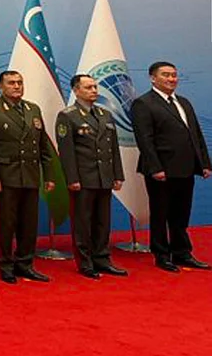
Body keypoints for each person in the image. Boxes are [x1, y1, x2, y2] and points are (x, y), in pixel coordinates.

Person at [131, 61, 211, 272]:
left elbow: (196, 134)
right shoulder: (143, 103)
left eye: (174, 75)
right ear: (152, 78)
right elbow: (145, 140)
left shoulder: (184, 102)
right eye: (166, 75)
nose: (171, 79)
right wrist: (155, 167)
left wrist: (204, 162)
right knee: (160, 213)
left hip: (186, 168)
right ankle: (161, 254)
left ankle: (182, 252)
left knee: (181, 214)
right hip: (161, 170)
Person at [0, 70, 56, 285]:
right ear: (1, 87)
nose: (16, 86)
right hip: (6, 176)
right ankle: (5, 265)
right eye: (11, 83)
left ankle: (25, 263)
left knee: (29, 223)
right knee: (7, 223)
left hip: (30, 175)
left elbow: (43, 146)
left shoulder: (33, 109)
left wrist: (48, 175)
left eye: (20, 82)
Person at [56, 74, 127, 279]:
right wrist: (72, 179)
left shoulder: (105, 114)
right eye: (88, 87)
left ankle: (102, 259)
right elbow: (67, 151)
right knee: (83, 222)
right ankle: (85, 262)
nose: (94, 90)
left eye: (95, 87)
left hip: (104, 176)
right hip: (83, 178)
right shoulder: (68, 116)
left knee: (102, 222)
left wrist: (118, 174)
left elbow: (113, 147)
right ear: (76, 91)